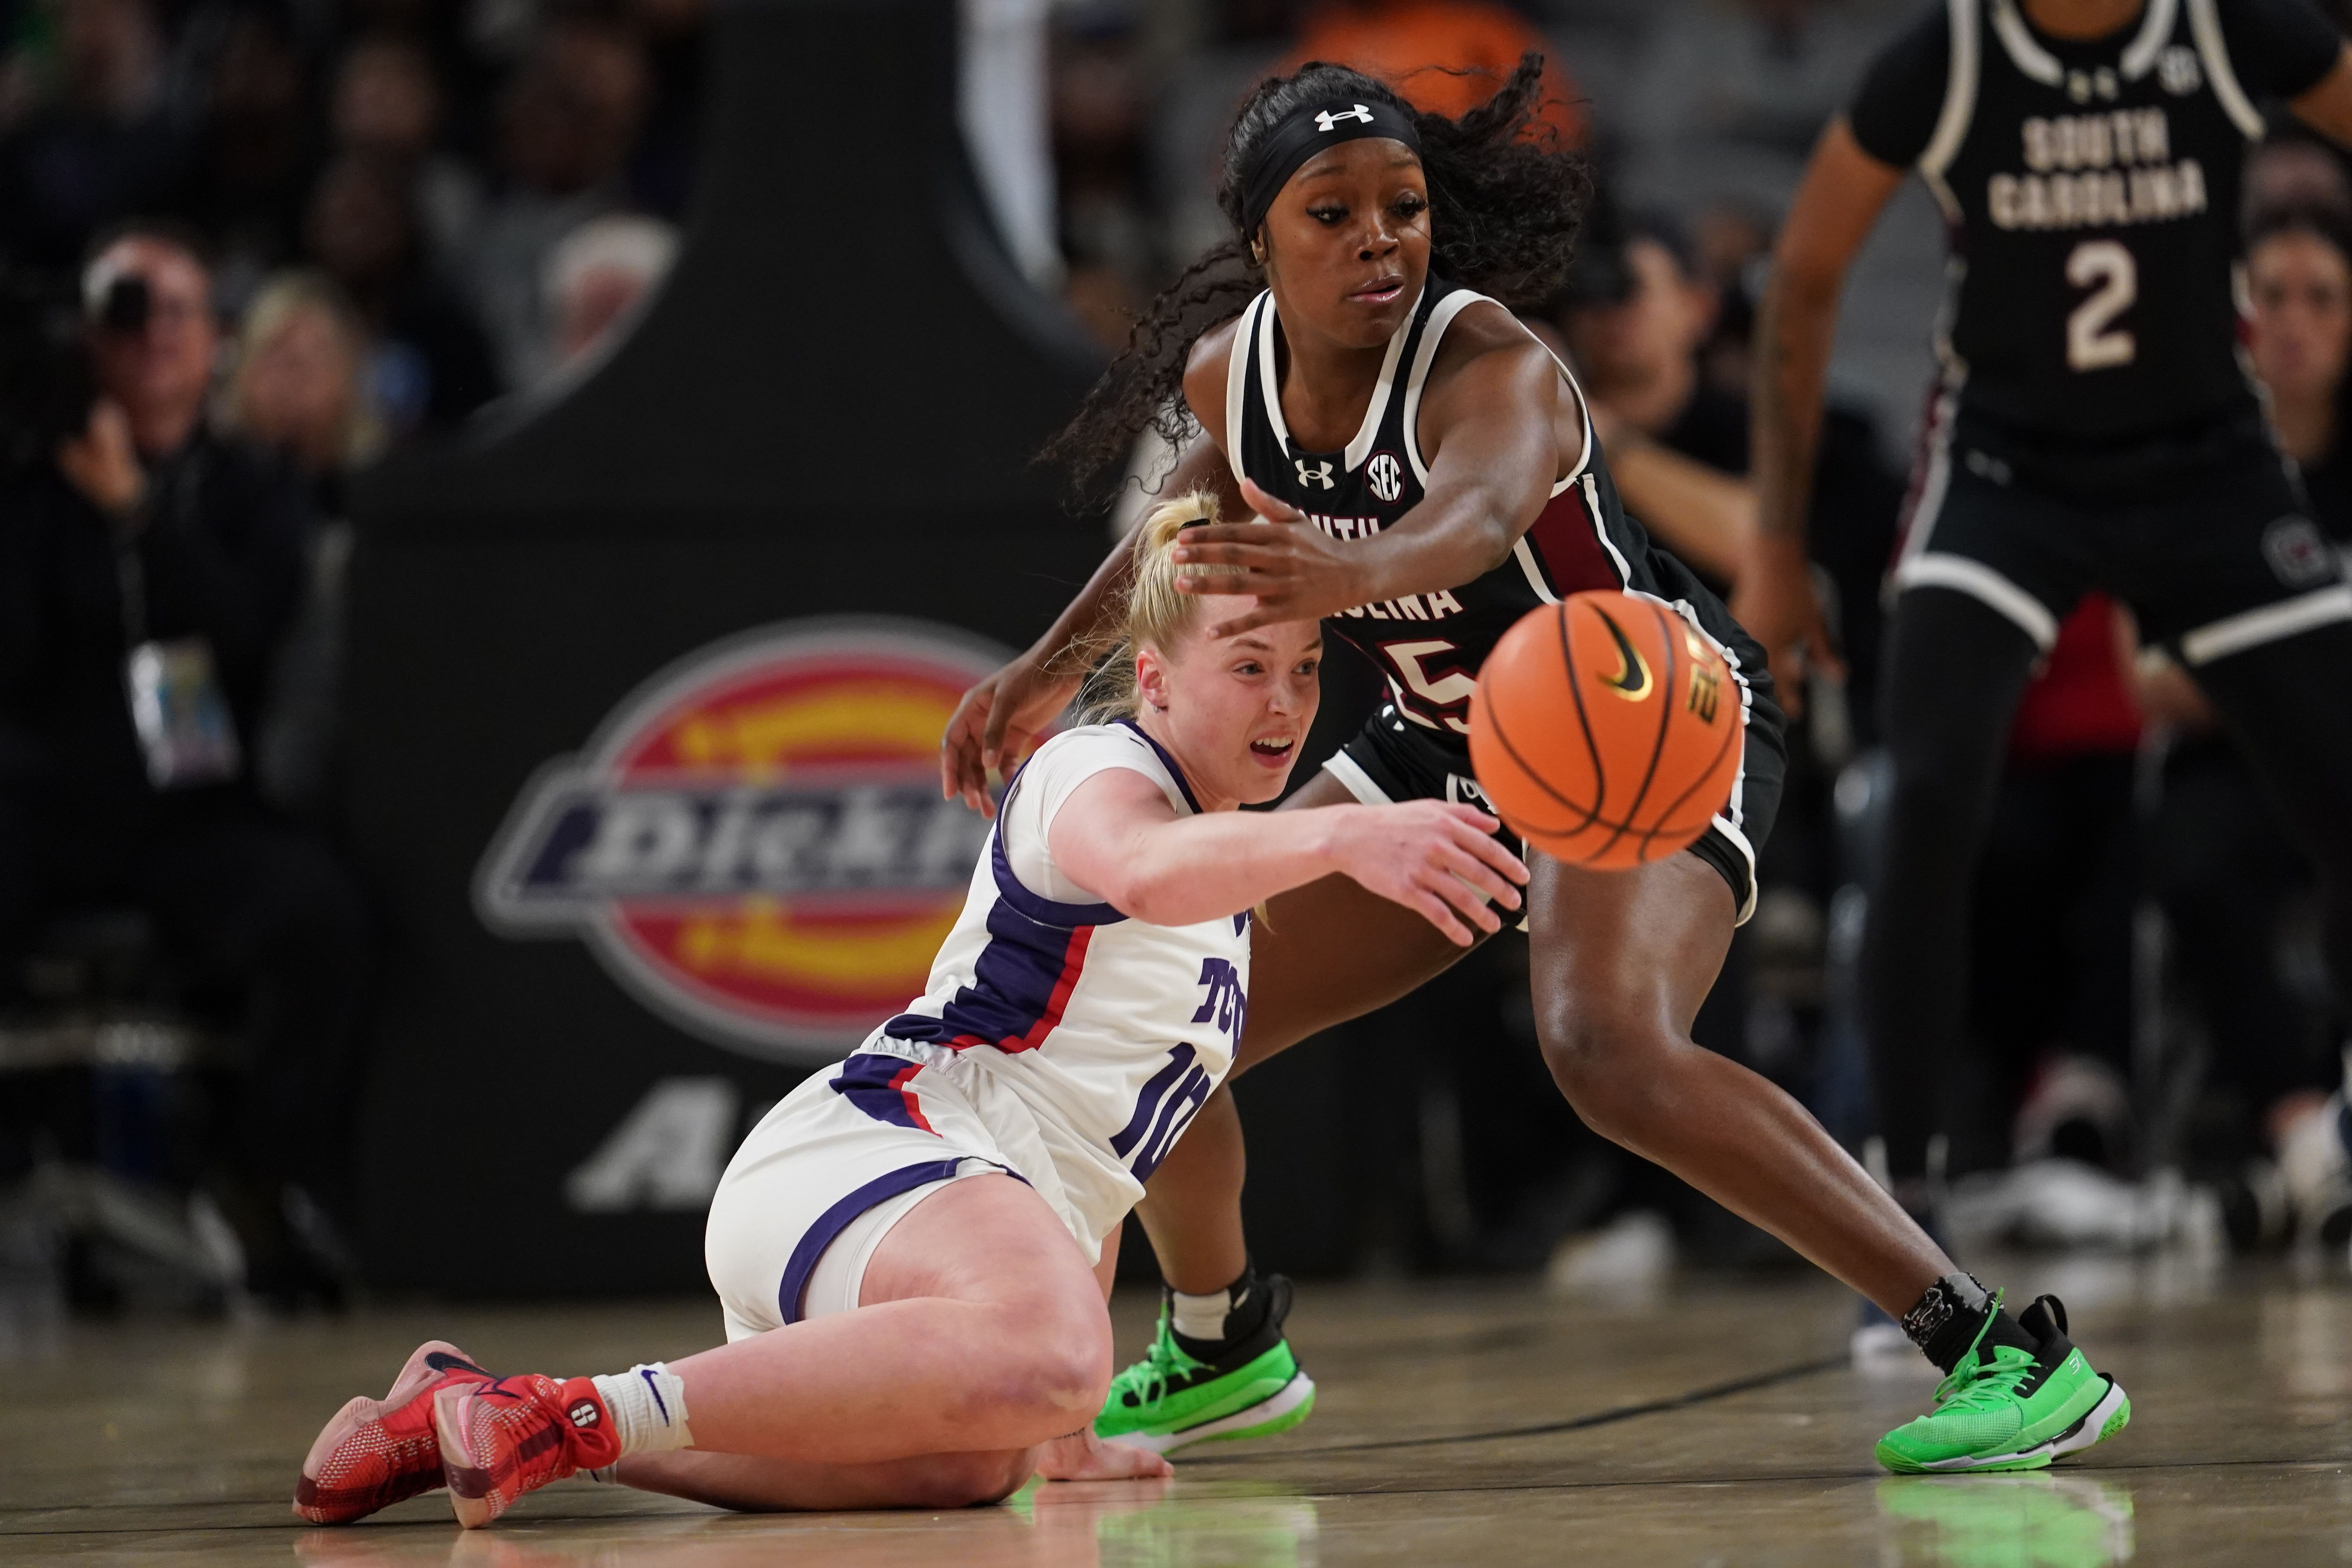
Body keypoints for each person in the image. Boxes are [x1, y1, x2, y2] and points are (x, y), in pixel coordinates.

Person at [947, 56, 2127, 1475]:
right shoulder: (1231, 378)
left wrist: (1335, 571)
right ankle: (1220, 1341)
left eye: (1402, 206)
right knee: (1168, 1002)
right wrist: (1043, 670)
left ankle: (2000, 1345)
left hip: (1643, 708)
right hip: (1449, 741)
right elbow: (1189, 519)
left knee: (1606, 1044)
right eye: (1334, 214)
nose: (1379, 238)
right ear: (1261, 241)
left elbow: (1471, 516)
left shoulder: (1495, 368)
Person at [292, 497, 1532, 1525]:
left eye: (1309, 670)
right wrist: (1356, 831)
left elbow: (1081, 1171)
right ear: (1152, 678)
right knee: (1060, 1363)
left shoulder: (1222, 877)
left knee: (978, 1464)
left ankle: (485, 1406)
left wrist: (1053, 1436)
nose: (1285, 705)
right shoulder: (1101, 770)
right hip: (866, 1156)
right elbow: (1148, 874)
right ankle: (582, 1408)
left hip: (942, 1226)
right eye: (1249, 667)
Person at [1742, 0, 2352, 1278]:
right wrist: (1781, 547)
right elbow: (1803, 271)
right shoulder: (1953, 57)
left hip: (2208, 466)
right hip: (2011, 470)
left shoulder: (2231, 32)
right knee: (1925, 793)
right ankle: (1902, 1210)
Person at [0, 224, 370, 1306]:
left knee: (323, 918)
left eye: (182, 313)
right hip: (43, 803)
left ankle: (269, 1182)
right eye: (130, 309)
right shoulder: (25, 480)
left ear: (216, 343)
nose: (157, 334)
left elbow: (246, 627)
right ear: (86, 335)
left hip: (192, 812)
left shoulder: (253, 486)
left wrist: (136, 513)